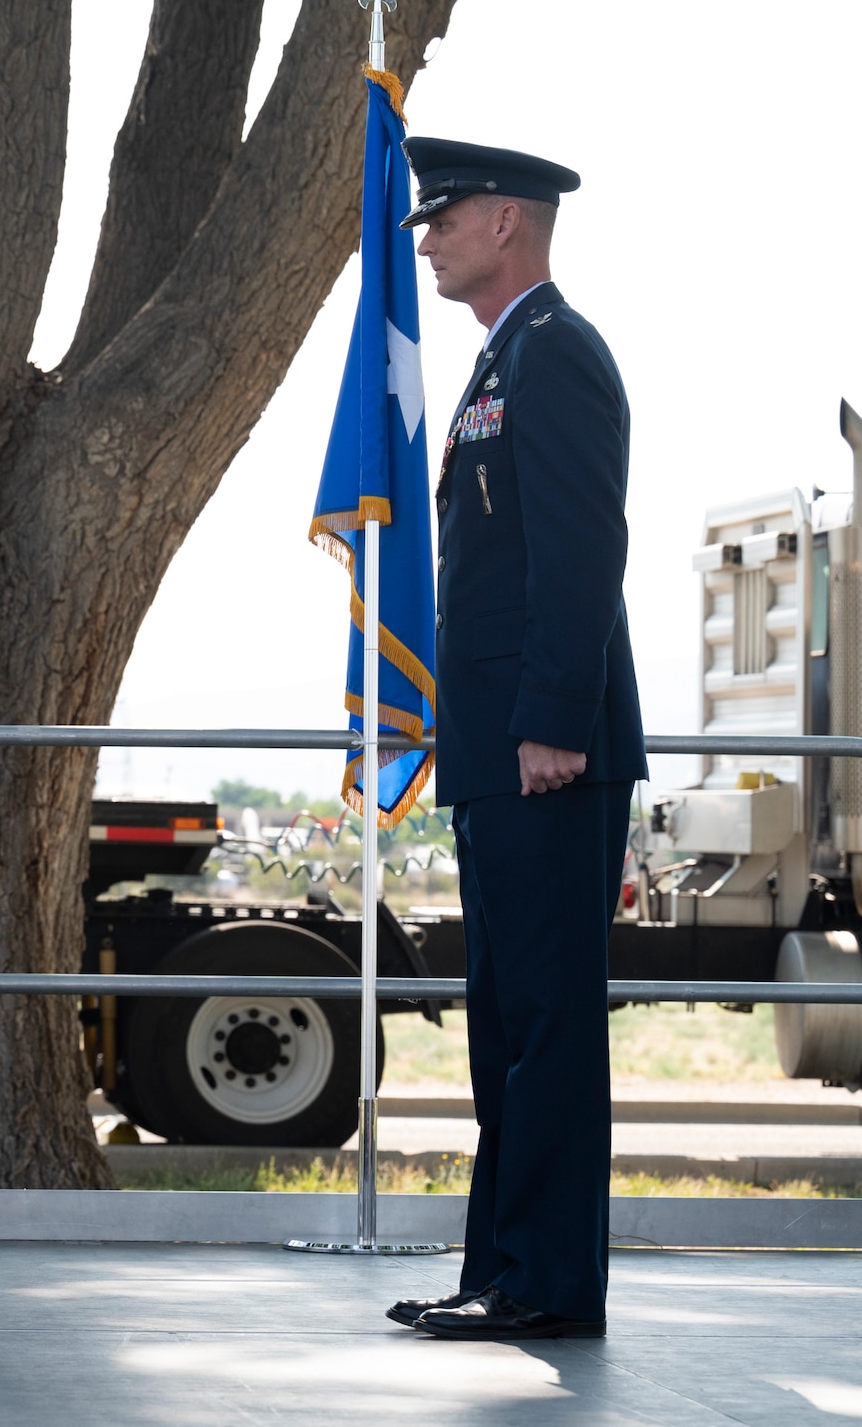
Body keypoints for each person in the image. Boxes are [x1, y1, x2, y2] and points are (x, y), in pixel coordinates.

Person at [386, 141, 646, 1341]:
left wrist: (549, 721)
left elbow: (581, 550)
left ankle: (544, 1284)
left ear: (503, 221)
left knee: (544, 1025)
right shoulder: (505, 355)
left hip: (546, 748)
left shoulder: (557, 354)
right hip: (496, 748)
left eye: (440, 220)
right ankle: (500, 1269)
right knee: (505, 1023)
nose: (425, 239)